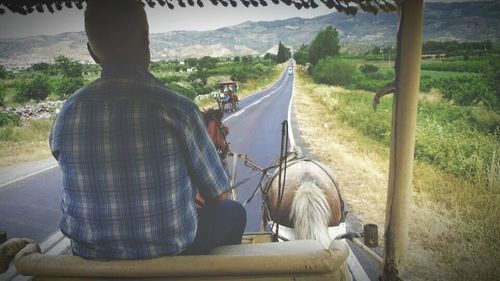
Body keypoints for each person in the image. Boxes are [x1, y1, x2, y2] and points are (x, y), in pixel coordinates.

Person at [49, 0, 246, 260]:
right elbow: (217, 194)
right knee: (234, 212)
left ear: (92, 53)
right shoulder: (179, 109)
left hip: (90, 255)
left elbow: (61, 159)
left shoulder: (68, 111)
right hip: (173, 250)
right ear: (146, 41)